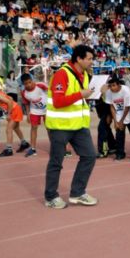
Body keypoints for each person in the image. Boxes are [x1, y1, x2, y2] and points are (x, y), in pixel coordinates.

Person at [44, 45, 97, 209]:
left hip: (79, 126)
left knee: (89, 156)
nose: (91, 61)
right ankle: (51, 196)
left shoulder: (85, 75)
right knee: (56, 162)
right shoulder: (62, 74)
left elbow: (80, 100)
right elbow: (59, 102)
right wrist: (81, 94)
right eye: (88, 58)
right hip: (60, 126)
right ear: (79, 59)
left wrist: (94, 94)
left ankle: (77, 193)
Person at [106, 75, 130, 163]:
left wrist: (122, 121)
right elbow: (111, 106)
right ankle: (120, 154)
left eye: (114, 85)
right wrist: (116, 122)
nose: (112, 88)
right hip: (119, 116)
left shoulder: (126, 90)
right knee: (119, 136)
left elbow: (127, 107)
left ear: (119, 85)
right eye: (110, 86)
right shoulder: (109, 92)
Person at [0, 89, 29, 157]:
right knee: (16, 128)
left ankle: (9, 149)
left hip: (14, 110)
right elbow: (10, 98)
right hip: (16, 108)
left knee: (8, 130)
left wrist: (9, 114)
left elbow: (9, 102)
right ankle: (24, 143)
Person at [20, 73, 47, 157]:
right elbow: (27, 103)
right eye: (26, 83)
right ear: (23, 84)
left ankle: (54, 147)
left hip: (47, 109)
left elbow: (51, 91)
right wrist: (28, 114)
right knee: (33, 128)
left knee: (50, 128)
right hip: (35, 110)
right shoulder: (24, 93)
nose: (28, 85)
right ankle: (33, 149)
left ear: (32, 81)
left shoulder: (40, 85)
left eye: (29, 82)